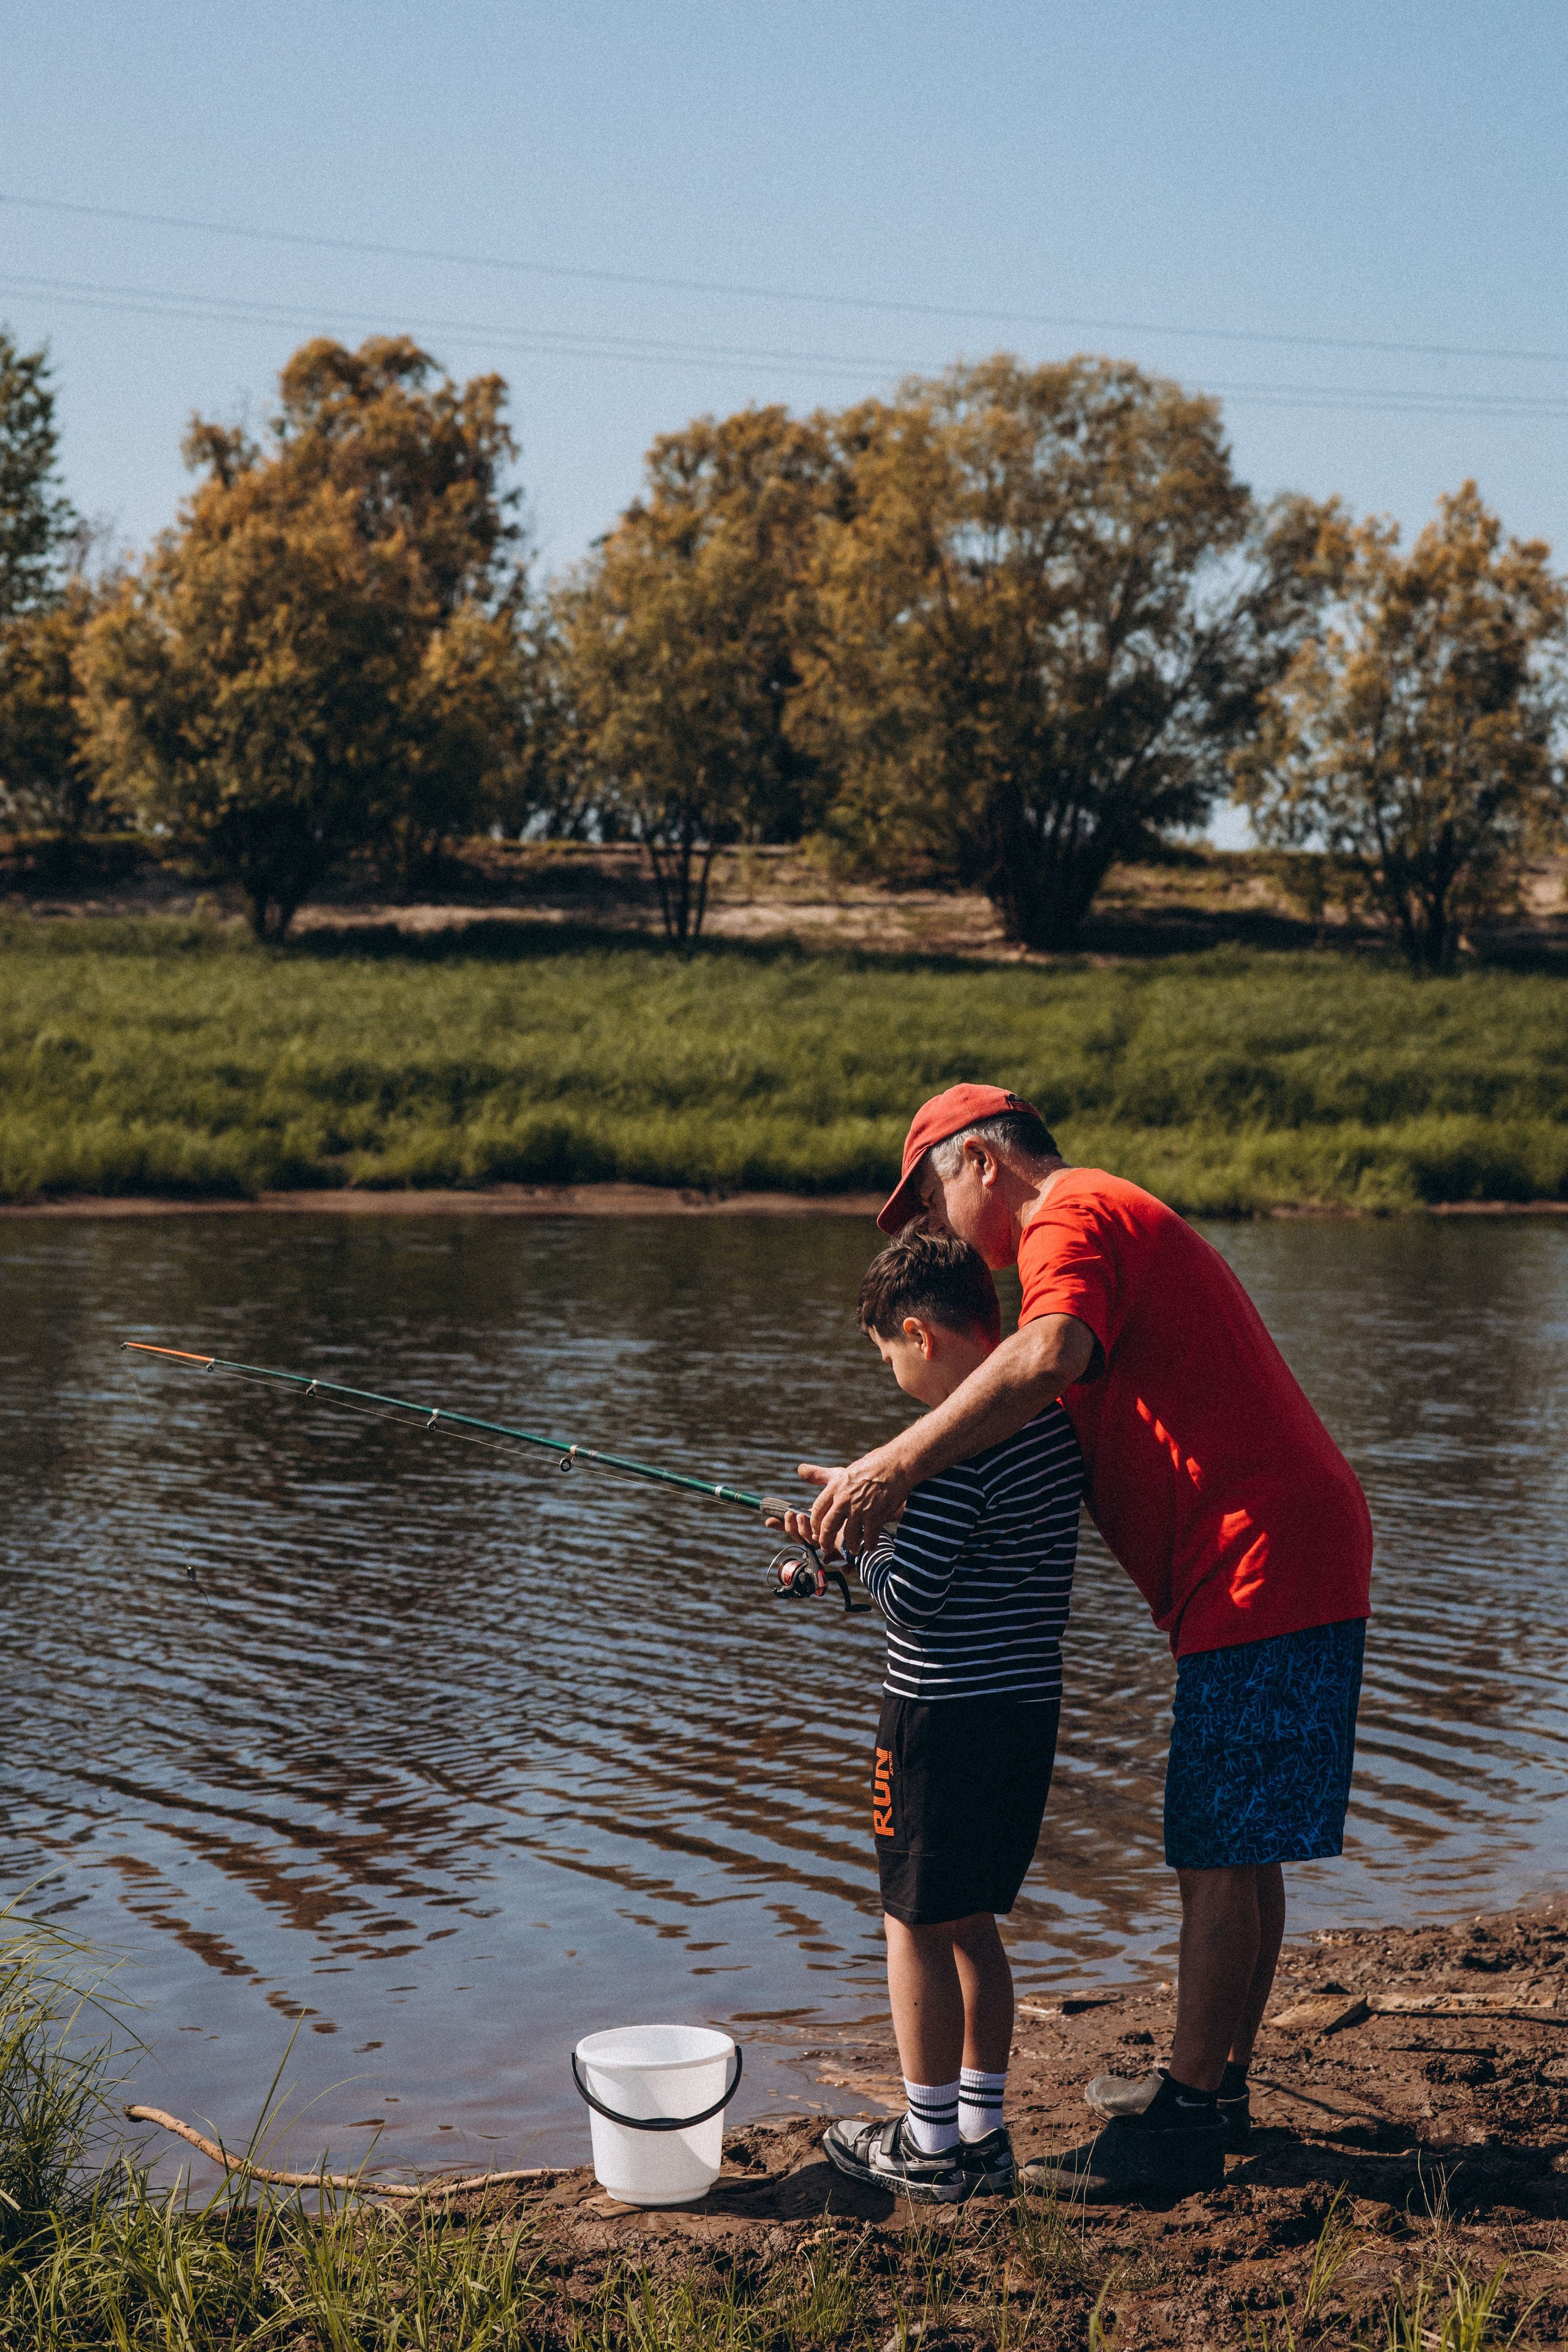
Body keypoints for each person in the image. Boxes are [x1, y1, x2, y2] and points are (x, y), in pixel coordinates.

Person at [800, 1085, 1373, 2198]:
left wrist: (892, 1465)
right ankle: (1223, 2086)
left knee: (1214, 1847)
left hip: (1261, 1559)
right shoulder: (1095, 1227)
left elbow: (1051, 1353)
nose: (933, 1235)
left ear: (978, 1165)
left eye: (927, 1203)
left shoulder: (1067, 1214)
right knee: (1244, 1844)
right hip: (1284, 1550)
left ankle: (1186, 2115)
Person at [812, 1227, 1082, 2204]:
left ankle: (926, 2147)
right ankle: (982, 2133)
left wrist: (853, 1546)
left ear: (920, 1336)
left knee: (911, 1920)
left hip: (938, 1720)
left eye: (888, 1356)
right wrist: (858, 1535)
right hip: (1023, 1713)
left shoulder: (948, 1448)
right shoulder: (1049, 1424)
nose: (892, 1377)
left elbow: (915, 1596)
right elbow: (977, 1571)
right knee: (974, 1923)